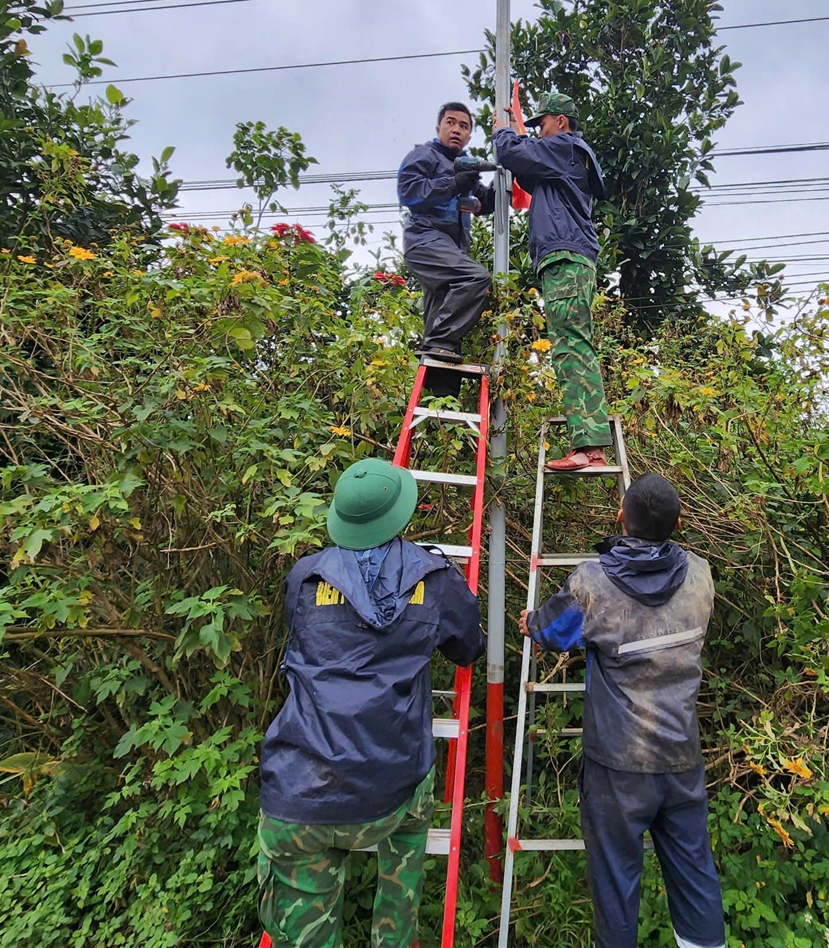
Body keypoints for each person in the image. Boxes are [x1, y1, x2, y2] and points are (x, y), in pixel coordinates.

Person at [258, 458, 485, 948]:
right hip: (393, 790)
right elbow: (468, 647)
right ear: (401, 515)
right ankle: (396, 935)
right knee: (415, 801)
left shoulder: (304, 578)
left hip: (300, 793)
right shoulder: (435, 578)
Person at [519, 474, 726, 948]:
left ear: (619, 517)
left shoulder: (594, 583)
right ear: (678, 523)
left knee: (615, 887)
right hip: (680, 756)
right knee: (696, 876)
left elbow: (556, 631)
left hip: (618, 765)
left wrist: (531, 623)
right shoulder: (700, 574)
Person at [492, 91, 610, 471]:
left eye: (541, 124)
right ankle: (588, 445)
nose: (538, 131)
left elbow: (515, 155)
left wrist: (502, 134)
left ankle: (589, 448)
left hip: (566, 257)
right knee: (570, 344)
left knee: (571, 346)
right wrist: (515, 135)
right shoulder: (562, 157)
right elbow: (526, 169)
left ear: (561, 121)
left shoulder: (565, 146)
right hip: (568, 259)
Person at [399, 101, 496, 377]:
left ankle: (440, 408)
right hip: (425, 241)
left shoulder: (463, 167)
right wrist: (454, 184)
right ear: (438, 127)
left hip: (450, 250)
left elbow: (483, 203)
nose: (456, 130)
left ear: (469, 136)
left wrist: (500, 184)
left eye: (463, 126)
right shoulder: (424, 155)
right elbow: (409, 192)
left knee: (440, 346)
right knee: (475, 278)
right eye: (451, 123)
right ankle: (438, 342)